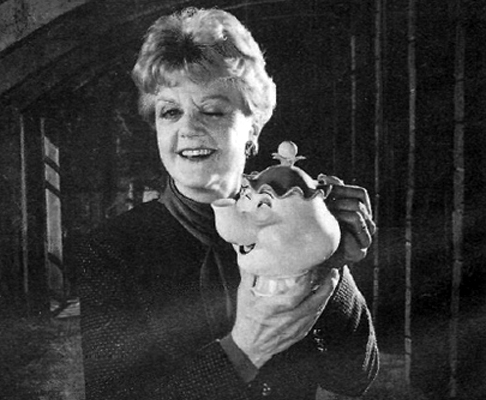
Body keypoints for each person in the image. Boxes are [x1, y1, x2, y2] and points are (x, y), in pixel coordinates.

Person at [78, 7, 379, 400]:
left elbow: (355, 377)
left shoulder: (295, 223)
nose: (188, 128)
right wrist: (243, 351)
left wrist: (329, 260)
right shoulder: (112, 248)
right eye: (170, 112)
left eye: (213, 110)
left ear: (252, 128)